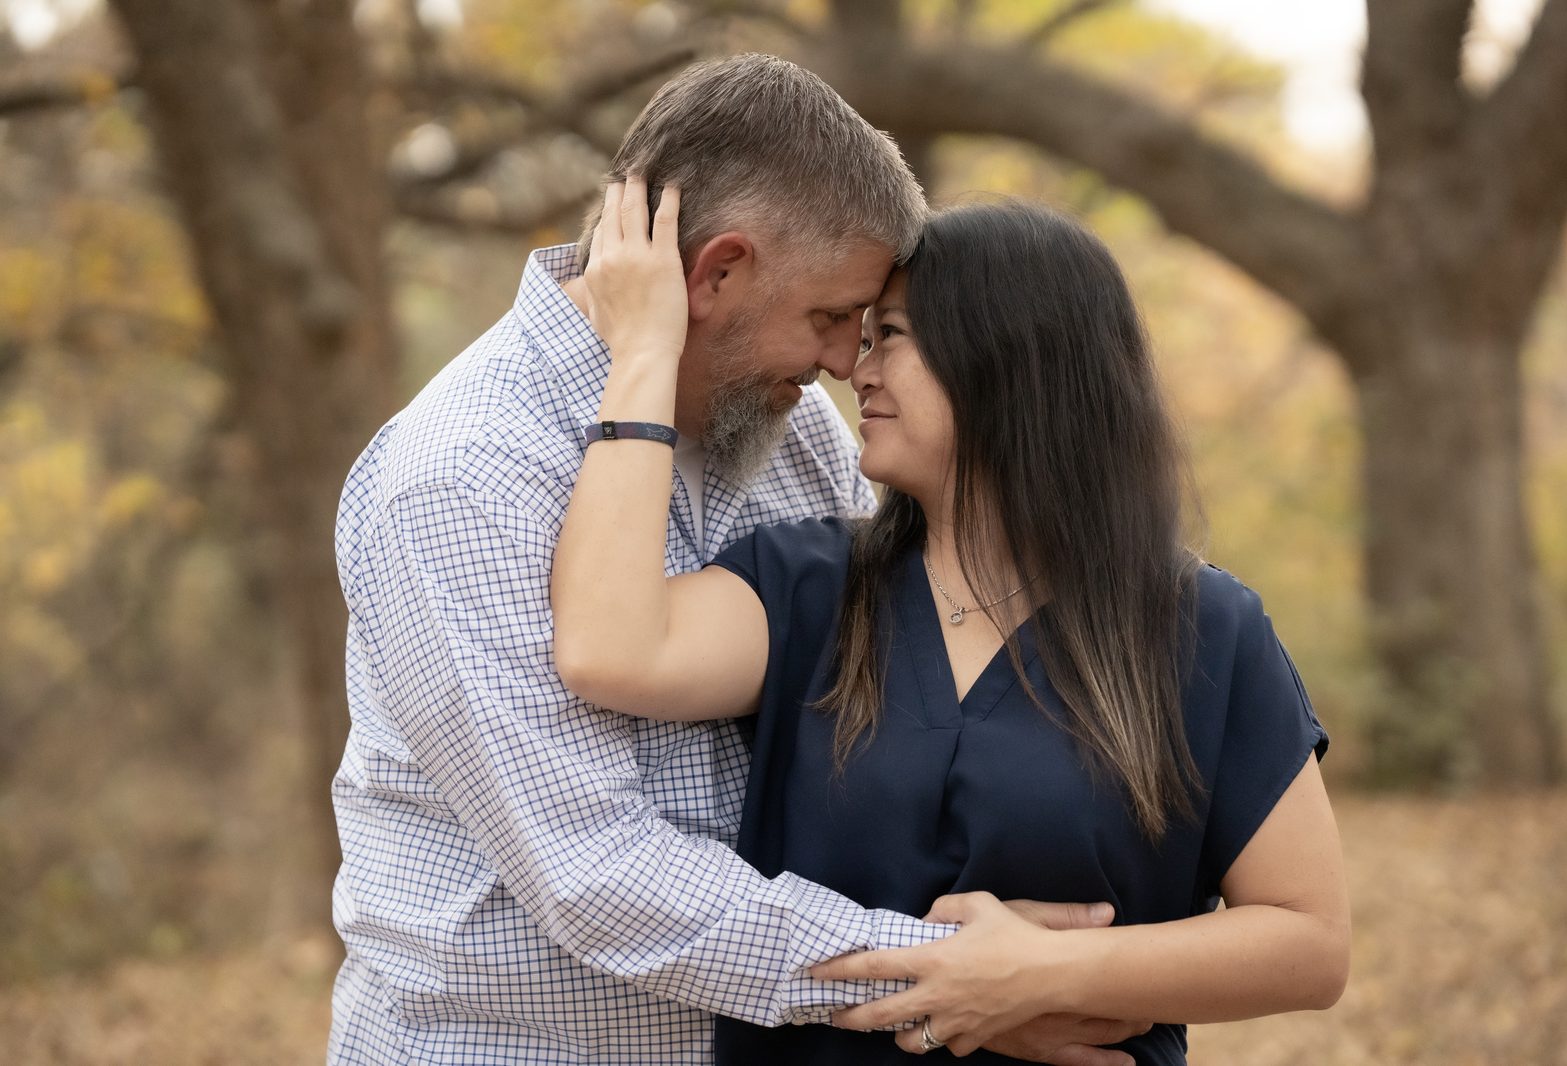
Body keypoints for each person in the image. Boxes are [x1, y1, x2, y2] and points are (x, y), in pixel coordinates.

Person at [329, 53, 1142, 1065]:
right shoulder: (462, 476)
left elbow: (906, 687)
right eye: (828, 319)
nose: (849, 362)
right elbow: (593, 872)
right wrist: (945, 977)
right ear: (716, 273)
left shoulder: (790, 435)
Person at [553, 183, 1351, 1064]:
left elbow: (1309, 943)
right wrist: (645, 353)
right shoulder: (809, 589)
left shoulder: (1204, 631)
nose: (856, 370)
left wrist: (1051, 973)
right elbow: (609, 648)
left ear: (1008, 360)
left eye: (888, 336)